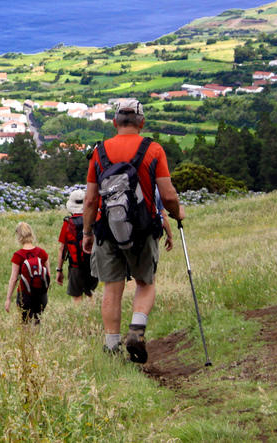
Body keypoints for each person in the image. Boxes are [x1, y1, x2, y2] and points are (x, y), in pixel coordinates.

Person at [82, 99, 184, 364]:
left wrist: (87, 233)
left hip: (107, 229)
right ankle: (136, 330)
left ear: (115, 122)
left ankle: (111, 347)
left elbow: (91, 200)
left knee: (111, 289)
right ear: (142, 123)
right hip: (143, 229)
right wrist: (176, 213)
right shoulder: (153, 150)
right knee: (145, 283)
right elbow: (168, 194)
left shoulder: (99, 152)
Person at [4, 222, 51, 324]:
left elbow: (13, 279)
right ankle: (37, 339)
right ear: (31, 234)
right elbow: (48, 275)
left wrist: (8, 299)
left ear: (18, 236)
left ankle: (28, 339)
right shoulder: (42, 252)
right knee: (37, 321)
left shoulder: (18, 256)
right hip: (41, 295)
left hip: (24, 295)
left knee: (25, 323)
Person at [57, 189, 98, 304]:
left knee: (77, 297)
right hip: (93, 264)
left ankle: (80, 317)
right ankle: (91, 316)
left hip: (75, 265)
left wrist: (59, 270)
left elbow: (62, 249)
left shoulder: (68, 223)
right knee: (90, 294)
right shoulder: (94, 219)